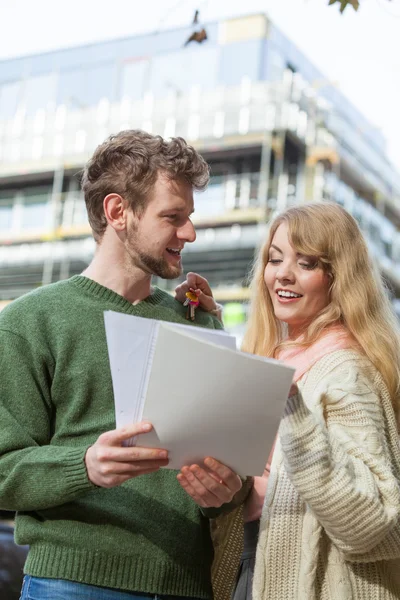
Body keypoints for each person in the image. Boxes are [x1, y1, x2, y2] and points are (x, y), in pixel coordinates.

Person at [0, 130, 252, 600]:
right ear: (118, 212)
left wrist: (227, 490)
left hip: (186, 585)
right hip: (72, 584)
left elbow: (231, 472)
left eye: (190, 217)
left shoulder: (199, 321)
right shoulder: (28, 323)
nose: (190, 233)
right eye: (173, 217)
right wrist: (85, 464)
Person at [176, 202, 400, 599]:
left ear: (338, 277)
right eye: (275, 259)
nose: (283, 273)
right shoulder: (279, 359)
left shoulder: (346, 372)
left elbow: (372, 522)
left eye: (307, 263)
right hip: (254, 567)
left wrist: (293, 411)